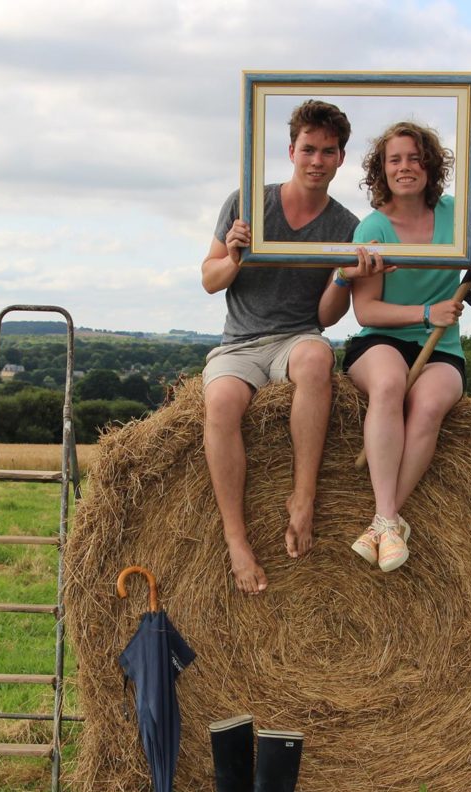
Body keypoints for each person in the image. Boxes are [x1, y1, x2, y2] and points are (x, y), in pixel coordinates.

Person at [201, 99, 379, 595]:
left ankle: (303, 498)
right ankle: (237, 541)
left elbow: (324, 318)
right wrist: (235, 255)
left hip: (297, 337)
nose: (316, 160)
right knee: (219, 402)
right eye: (308, 149)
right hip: (240, 342)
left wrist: (344, 278)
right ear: (291, 151)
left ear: (341, 158)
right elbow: (210, 279)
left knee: (317, 355)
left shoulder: (348, 226)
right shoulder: (247, 202)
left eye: (328, 151)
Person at [340, 121, 465, 573]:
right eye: (395, 159)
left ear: (430, 165)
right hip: (381, 341)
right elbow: (367, 311)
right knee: (390, 384)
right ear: (382, 170)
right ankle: (389, 518)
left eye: (414, 157)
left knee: (430, 405)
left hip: (441, 348)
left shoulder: (457, 215)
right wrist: (427, 313)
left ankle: (384, 522)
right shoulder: (373, 228)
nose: (405, 167)